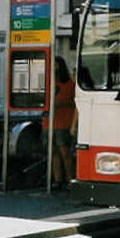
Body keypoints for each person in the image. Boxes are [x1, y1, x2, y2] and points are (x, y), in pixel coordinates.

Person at [43, 57, 76, 189]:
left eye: (56, 66)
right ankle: (58, 180)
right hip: (48, 122)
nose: (53, 69)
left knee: (65, 152)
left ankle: (70, 180)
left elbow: (76, 102)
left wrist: (62, 103)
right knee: (53, 153)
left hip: (63, 122)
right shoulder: (47, 83)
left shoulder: (70, 84)